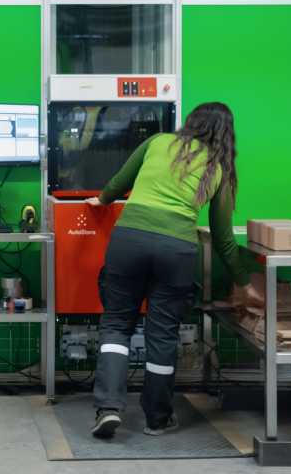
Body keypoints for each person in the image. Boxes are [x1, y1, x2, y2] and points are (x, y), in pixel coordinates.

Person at [85, 102, 256, 438]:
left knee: (117, 326)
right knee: (161, 335)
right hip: (176, 251)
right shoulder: (218, 168)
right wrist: (243, 281)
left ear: (191, 122)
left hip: (129, 241)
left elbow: (120, 182)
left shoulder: (158, 142)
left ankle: (108, 409)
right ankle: (157, 419)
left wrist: (102, 200)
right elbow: (222, 238)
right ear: (226, 134)